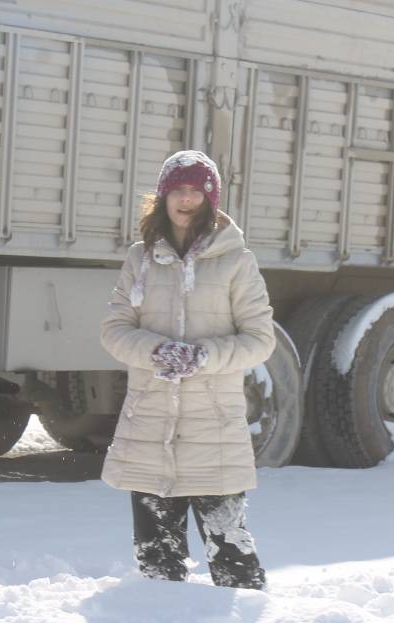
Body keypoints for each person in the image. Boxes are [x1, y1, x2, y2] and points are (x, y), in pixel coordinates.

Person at [100, 150, 276, 589]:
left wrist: (202, 356)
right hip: (149, 427)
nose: (185, 200)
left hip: (212, 429)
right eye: (177, 190)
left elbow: (260, 339)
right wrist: (157, 351)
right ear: (162, 197)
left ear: (210, 198)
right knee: (157, 564)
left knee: (232, 559)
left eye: (196, 191)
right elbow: (115, 329)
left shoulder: (237, 262)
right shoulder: (141, 260)